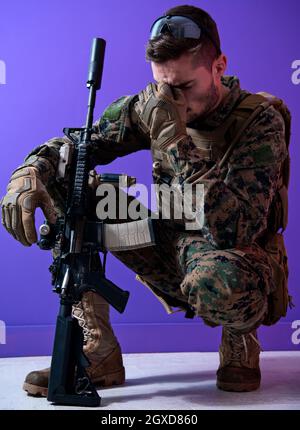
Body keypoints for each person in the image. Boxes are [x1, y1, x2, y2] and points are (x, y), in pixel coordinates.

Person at [1, 4, 289, 395]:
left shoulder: (259, 122)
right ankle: (98, 350)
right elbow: (80, 144)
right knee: (69, 183)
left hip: (221, 258)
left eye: (185, 88)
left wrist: (173, 137)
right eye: (164, 88)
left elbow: (232, 228)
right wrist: (30, 171)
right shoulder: (153, 103)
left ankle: (239, 338)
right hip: (164, 240)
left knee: (218, 282)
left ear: (219, 66)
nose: (175, 100)